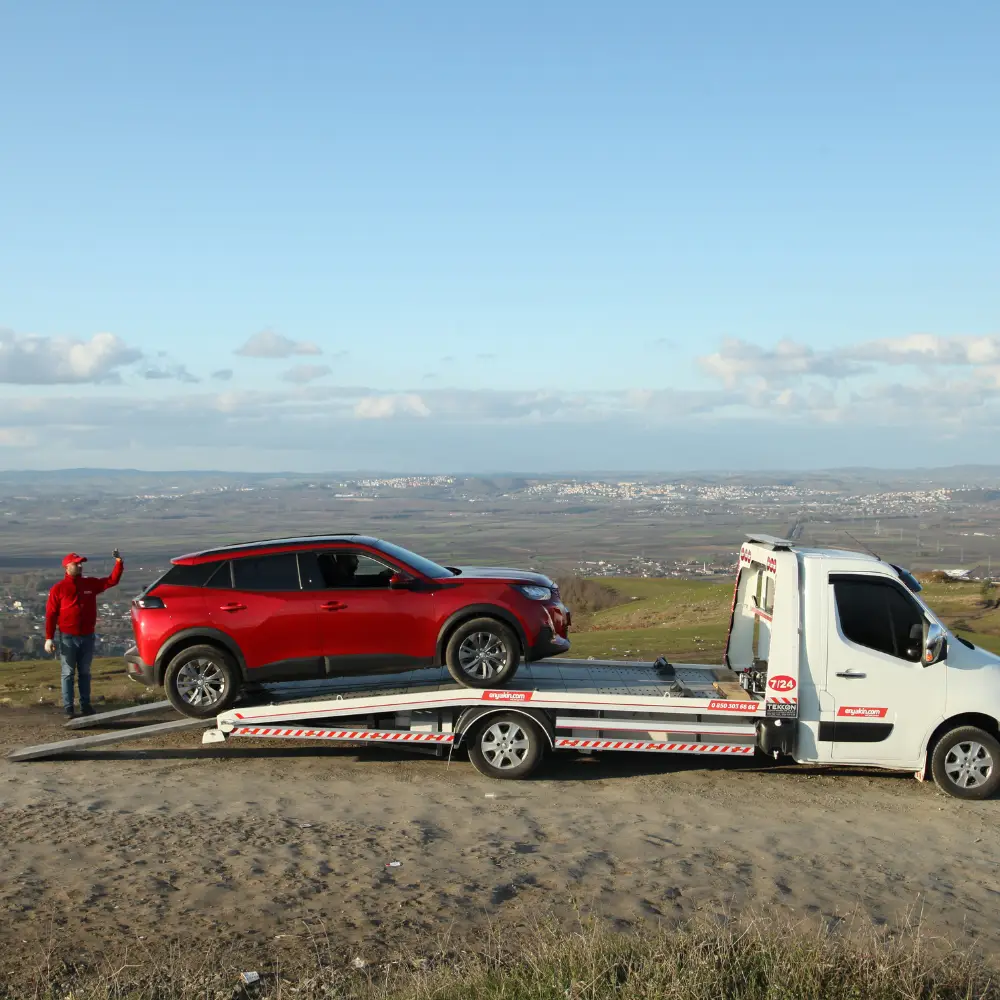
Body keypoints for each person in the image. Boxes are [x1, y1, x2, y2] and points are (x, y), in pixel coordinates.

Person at [44, 550, 124, 718]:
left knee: (85, 672)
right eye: (76, 564)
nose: (80, 566)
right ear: (67, 566)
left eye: (81, 563)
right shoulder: (58, 589)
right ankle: (68, 708)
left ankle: (85, 706)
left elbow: (111, 581)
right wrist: (49, 638)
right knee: (67, 673)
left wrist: (118, 563)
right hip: (67, 637)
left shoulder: (89, 584)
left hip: (87, 636)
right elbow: (51, 614)